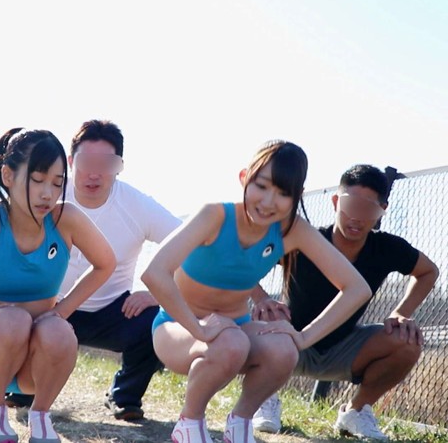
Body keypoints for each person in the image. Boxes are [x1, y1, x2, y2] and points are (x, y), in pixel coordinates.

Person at [141, 140, 373, 443]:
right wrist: (198, 328)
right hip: (177, 327)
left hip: (235, 329)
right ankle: (189, 423)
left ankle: (239, 424)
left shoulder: (293, 230)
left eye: (283, 193)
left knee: (284, 350)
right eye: (261, 186)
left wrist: (303, 337)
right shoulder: (214, 215)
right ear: (244, 178)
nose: (268, 201)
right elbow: (154, 272)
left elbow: (357, 288)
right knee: (231, 342)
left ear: (297, 196)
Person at [0, 127, 116, 443]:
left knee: (61, 332)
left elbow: (105, 263)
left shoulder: (65, 219)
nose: (47, 193)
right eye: (38, 180)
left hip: (33, 360)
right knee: (12, 319)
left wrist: (63, 310)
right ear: (8, 176)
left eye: (57, 183)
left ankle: (40, 416)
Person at [4, 120, 181, 422]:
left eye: (106, 164)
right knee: (19, 312)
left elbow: (191, 246)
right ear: (71, 162)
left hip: (111, 309)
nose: (94, 173)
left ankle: (125, 396)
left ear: (120, 166)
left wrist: (155, 294)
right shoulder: (48, 195)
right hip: (48, 305)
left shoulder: (138, 205)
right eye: (86, 162)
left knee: (154, 320)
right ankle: (24, 388)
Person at [251, 164, 439, 441]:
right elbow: (244, 264)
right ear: (336, 202)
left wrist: (401, 312)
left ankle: (356, 411)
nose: (356, 217)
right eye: (350, 205)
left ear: (382, 210)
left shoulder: (386, 248)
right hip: (287, 342)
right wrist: (262, 298)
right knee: (268, 315)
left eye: (368, 209)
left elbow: (428, 271)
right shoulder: (306, 240)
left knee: (407, 340)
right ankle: (264, 398)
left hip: (343, 348)